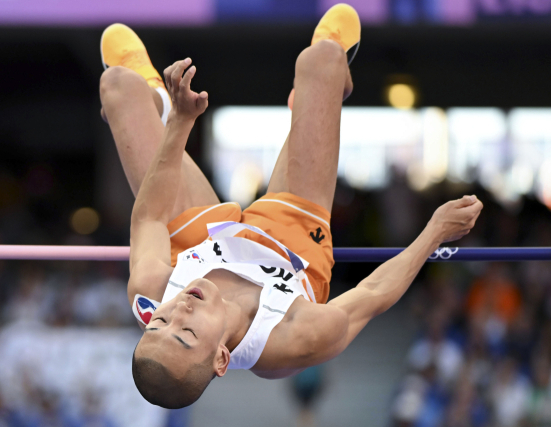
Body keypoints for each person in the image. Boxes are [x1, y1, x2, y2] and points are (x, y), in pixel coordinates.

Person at [98, 4, 484, 409]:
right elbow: (373, 294)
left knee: (118, 85)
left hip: (196, 233)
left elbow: (149, 217)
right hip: (292, 242)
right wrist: (435, 231)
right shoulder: (294, 338)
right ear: (222, 358)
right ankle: (316, 97)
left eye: (159, 322)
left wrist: (179, 121)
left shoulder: (151, 293)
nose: (179, 310)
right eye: (187, 332)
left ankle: (155, 94)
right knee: (322, 60)